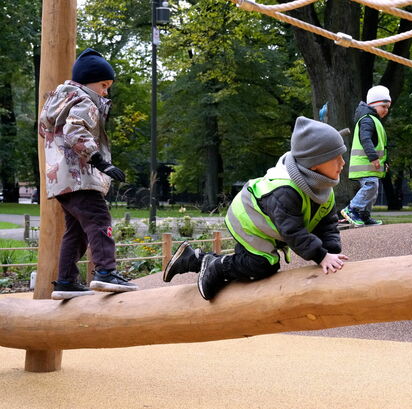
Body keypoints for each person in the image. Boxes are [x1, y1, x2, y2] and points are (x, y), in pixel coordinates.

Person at [162, 116, 349, 301]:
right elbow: (293, 232)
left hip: (268, 223)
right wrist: (321, 256)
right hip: (249, 220)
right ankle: (216, 266)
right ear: (315, 164)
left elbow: (327, 223)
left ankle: (193, 259)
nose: (343, 163)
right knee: (262, 264)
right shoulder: (286, 191)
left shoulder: (322, 188)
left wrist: (332, 251)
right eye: (336, 158)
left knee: (259, 263)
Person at [39, 48, 139, 300]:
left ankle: (66, 282)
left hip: (62, 181)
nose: (106, 91)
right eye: (103, 85)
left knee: (76, 231)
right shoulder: (84, 100)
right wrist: (100, 161)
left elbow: (49, 133)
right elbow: (75, 131)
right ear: (87, 80)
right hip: (81, 178)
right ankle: (105, 272)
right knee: (99, 221)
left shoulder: (59, 103)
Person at [340, 85, 391, 227]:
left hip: (371, 165)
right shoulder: (367, 119)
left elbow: (380, 145)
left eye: (388, 107)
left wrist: (384, 162)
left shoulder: (373, 120)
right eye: (383, 106)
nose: (386, 110)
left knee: (373, 191)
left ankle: (364, 215)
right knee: (370, 186)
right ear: (373, 104)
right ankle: (352, 209)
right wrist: (374, 158)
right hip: (364, 164)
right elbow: (366, 140)